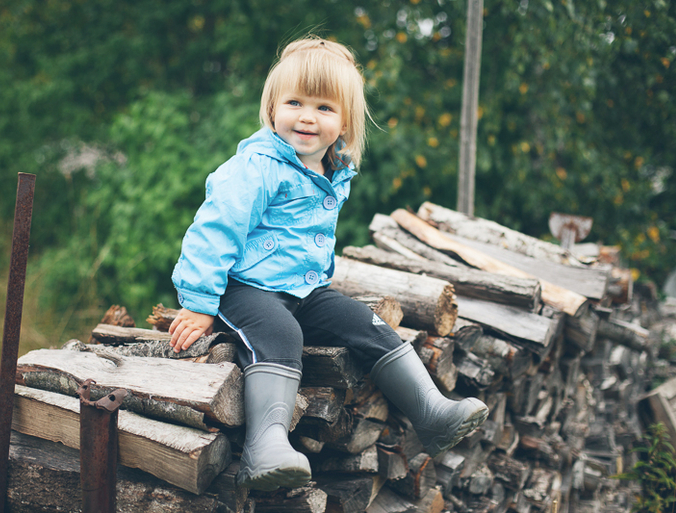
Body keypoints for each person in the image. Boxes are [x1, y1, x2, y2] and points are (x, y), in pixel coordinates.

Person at [169, 35, 488, 491]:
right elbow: (214, 230)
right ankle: (264, 447)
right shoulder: (258, 166)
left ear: (344, 122)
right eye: (294, 102)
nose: (307, 116)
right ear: (272, 107)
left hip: (304, 290)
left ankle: (431, 413)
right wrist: (200, 302)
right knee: (282, 333)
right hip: (244, 289)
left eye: (323, 107)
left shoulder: (331, 169)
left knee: (367, 322)